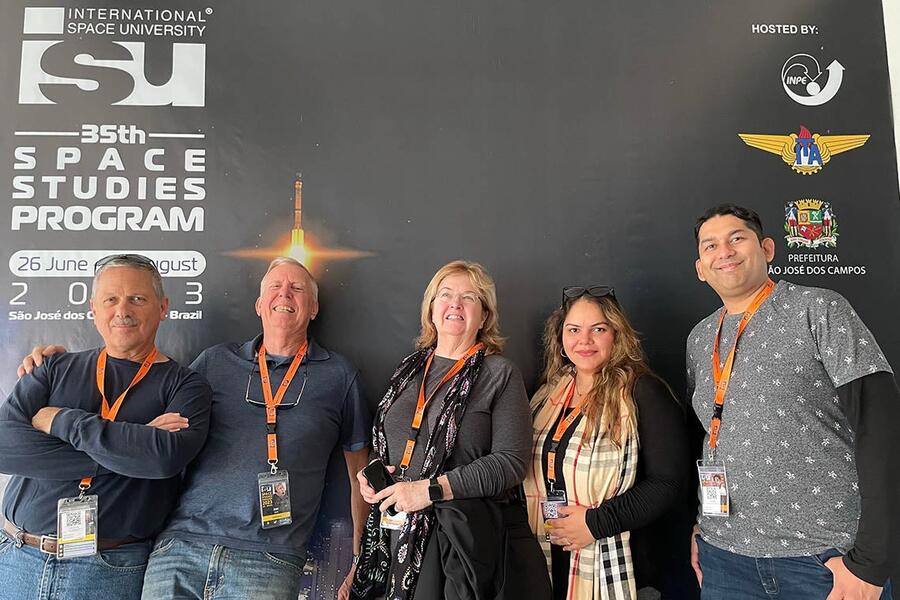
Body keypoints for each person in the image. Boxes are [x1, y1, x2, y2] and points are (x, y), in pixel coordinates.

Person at [18, 257, 372, 600]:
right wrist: (50, 370)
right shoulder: (214, 361)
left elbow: (359, 471)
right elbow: (151, 430)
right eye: (275, 287)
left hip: (268, 556)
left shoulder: (340, 376)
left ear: (313, 308)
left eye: (297, 288)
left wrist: (359, 555)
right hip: (179, 547)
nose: (285, 294)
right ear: (259, 304)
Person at [687, 204, 898, 600]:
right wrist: (701, 527)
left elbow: (880, 429)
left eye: (737, 238)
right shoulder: (699, 339)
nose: (725, 251)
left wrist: (870, 563)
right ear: (701, 268)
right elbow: (709, 438)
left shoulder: (819, 309)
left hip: (823, 558)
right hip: (726, 558)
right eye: (710, 245)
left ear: (767, 248)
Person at [0, 254, 212, 599]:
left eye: (137, 299)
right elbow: (3, 446)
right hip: (18, 558)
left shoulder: (186, 386)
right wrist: (130, 450)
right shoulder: (52, 367)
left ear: (163, 307)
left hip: (110, 569)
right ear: (93, 308)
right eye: (110, 299)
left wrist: (59, 419)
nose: (122, 310)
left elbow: (162, 460)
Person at [351, 260, 550, 600]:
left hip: (453, 546)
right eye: (445, 294)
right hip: (391, 539)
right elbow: (385, 443)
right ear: (431, 309)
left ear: (484, 316)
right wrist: (371, 477)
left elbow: (511, 463)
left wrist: (428, 490)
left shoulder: (499, 374)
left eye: (469, 297)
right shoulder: (408, 370)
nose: (455, 304)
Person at [524, 286, 690, 600]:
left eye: (598, 329)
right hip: (547, 557)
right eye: (573, 330)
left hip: (617, 561)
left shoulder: (643, 392)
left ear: (616, 334)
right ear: (560, 338)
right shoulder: (548, 395)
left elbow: (668, 482)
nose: (584, 340)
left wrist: (595, 523)